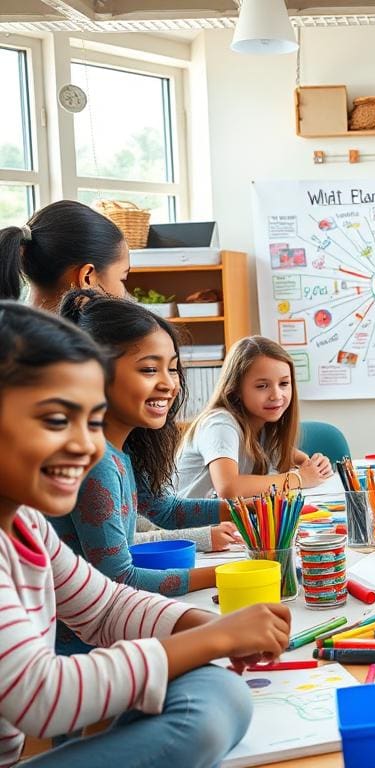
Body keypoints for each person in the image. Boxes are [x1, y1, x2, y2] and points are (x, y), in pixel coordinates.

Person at [0, 301, 290, 768]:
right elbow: (42, 696)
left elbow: (107, 603)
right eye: (57, 420)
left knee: (221, 693)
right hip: (53, 699)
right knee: (205, 708)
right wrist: (216, 639)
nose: (87, 445)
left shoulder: (26, 524)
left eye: (93, 420)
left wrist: (216, 629)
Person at [50, 292, 234, 609]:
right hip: (84, 646)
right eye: (149, 370)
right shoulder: (94, 462)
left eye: (173, 369)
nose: (168, 384)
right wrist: (226, 573)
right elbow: (120, 580)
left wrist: (239, 509)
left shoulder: (118, 450)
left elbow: (164, 509)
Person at [175, 336, 332, 499]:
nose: (277, 395)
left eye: (284, 384)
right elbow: (228, 488)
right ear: (235, 389)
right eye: (262, 386)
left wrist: (314, 465)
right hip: (187, 524)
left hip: (219, 522)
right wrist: (300, 478)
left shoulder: (260, 425)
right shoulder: (220, 424)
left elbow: (289, 455)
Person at [0, 200, 129, 307]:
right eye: (122, 279)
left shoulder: (13, 330)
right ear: (87, 277)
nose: (126, 294)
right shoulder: (101, 337)